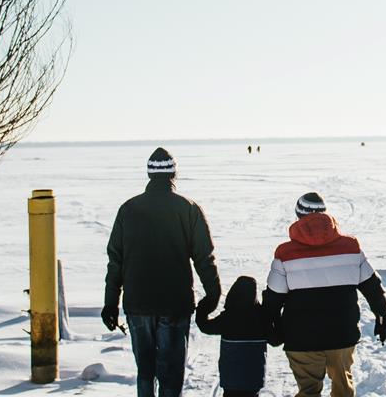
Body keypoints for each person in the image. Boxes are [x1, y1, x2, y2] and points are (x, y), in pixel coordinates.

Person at [104, 147, 222, 397]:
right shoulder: (188, 208)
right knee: (171, 373)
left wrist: (110, 302)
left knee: (145, 372)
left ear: (149, 175)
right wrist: (213, 295)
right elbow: (204, 256)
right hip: (174, 303)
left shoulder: (128, 209)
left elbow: (116, 260)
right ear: (173, 174)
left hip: (138, 303)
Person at [263, 193, 386, 397]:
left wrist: (271, 327)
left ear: (298, 216)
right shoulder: (351, 247)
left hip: (300, 338)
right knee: (343, 389)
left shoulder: (285, 253)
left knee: (308, 391)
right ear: (325, 214)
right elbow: (372, 286)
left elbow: (273, 297)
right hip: (342, 335)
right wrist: (383, 313)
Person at [197, 276, 276, 397]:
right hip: (253, 381)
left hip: (230, 381)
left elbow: (205, 326)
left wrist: (203, 306)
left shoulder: (228, 317)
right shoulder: (262, 318)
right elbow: (277, 340)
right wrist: (272, 311)